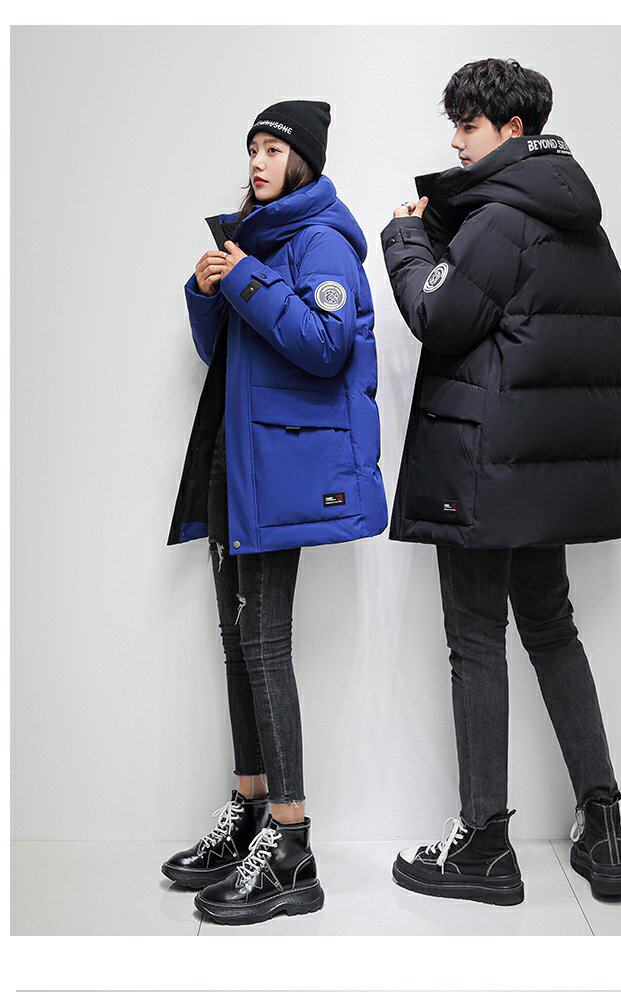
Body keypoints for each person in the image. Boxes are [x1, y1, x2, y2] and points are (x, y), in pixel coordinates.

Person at [381, 59, 621, 904]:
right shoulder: (581, 223)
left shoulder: (499, 219)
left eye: (467, 127)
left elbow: (439, 315)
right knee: (553, 631)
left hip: (481, 469)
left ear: (512, 131)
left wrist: (406, 240)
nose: (456, 144)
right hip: (540, 483)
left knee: (474, 640)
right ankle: (603, 827)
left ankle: (484, 845)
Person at [163, 100, 387, 925]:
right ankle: (251, 808)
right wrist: (207, 292)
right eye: (251, 148)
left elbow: (327, 346)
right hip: (235, 462)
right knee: (238, 643)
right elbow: (222, 354)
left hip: (279, 471)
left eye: (272, 149)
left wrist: (244, 279)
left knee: (263, 645)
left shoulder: (321, 240)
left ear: (302, 160)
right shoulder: (256, 240)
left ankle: (291, 845)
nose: (257, 161)